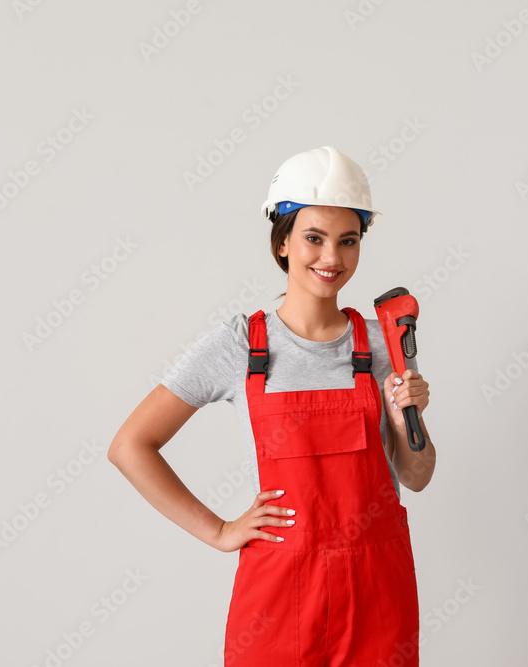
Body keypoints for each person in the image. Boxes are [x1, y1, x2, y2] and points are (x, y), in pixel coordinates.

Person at [108, 145, 437, 666]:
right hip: (281, 595)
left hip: (377, 589)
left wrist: (403, 420)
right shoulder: (240, 346)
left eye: (347, 241)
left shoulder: (381, 344)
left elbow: (416, 476)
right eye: (314, 238)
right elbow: (130, 445)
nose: (331, 257)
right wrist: (219, 531)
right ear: (283, 242)